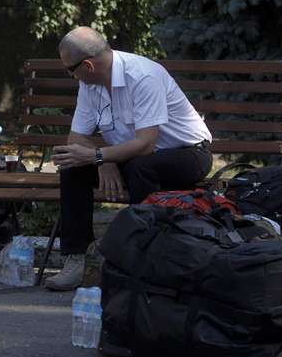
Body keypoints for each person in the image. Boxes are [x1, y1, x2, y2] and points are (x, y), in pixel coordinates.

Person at [44, 27, 213, 291]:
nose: (70, 75)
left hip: (189, 154)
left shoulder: (143, 76)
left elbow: (146, 143)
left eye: (70, 69)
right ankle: (75, 260)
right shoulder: (89, 83)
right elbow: (76, 139)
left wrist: (100, 154)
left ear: (87, 65)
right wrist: (104, 161)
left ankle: (143, 258)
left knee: (139, 167)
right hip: (132, 156)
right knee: (73, 167)